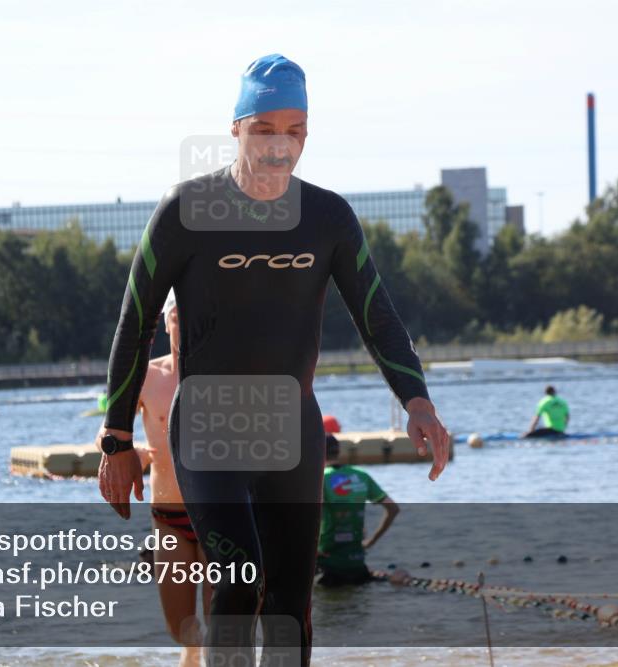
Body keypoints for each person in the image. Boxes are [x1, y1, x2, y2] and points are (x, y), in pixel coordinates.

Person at [95, 53, 450, 666]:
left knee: (290, 602)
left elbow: (377, 315)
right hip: (207, 427)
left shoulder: (327, 218)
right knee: (239, 580)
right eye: (263, 129)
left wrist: (417, 401)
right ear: (235, 127)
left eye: (295, 130)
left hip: (292, 428)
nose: (279, 146)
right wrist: (115, 437)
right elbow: (136, 321)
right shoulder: (184, 212)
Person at [136, 289, 213, 667]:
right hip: (169, 518)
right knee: (180, 627)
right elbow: (107, 432)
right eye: (178, 318)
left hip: (218, 512)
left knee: (222, 625)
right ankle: (192, 654)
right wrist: (125, 450)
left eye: (192, 317)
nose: (185, 326)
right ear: (166, 323)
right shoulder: (147, 376)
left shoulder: (222, 372)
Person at [315, 431, 399, 587]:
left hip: (327, 563)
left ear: (317, 452)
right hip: (357, 562)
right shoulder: (361, 475)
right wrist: (371, 541)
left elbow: (313, 516)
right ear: (338, 451)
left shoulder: (320, 478)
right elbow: (393, 509)